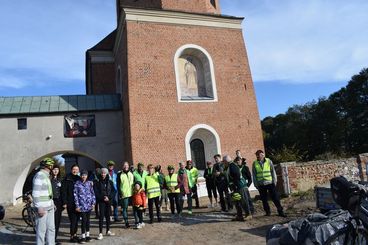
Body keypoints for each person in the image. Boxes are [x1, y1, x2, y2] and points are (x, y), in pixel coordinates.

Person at [252, 150, 286, 217]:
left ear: (263, 155)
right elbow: (254, 174)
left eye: (259, 155)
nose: (258, 157)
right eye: (257, 156)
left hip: (270, 183)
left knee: (275, 198)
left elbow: (273, 171)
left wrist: (274, 181)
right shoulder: (255, 163)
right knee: (264, 200)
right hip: (261, 184)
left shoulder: (268, 161)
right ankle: (268, 212)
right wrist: (256, 184)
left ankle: (280, 211)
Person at [32, 158, 55, 245]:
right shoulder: (39, 175)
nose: (52, 167)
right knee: (41, 231)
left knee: (51, 229)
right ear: (48, 166)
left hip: (50, 207)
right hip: (42, 209)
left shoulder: (46, 176)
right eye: (51, 165)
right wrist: (39, 207)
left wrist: (52, 203)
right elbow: (35, 193)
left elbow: (48, 192)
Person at [74, 170, 96, 243]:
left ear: (87, 176)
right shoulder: (77, 183)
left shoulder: (89, 183)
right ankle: (83, 236)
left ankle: (88, 236)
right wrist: (77, 205)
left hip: (89, 205)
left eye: (85, 175)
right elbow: (75, 195)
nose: (84, 176)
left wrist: (93, 203)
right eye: (83, 175)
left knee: (88, 221)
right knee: (83, 221)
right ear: (81, 176)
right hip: (81, 206)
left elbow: (92, 193)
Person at [94, 168, 116, 240]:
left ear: (107, 174)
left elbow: (114, 191)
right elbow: (96, 192)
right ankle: (100, 233)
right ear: (100, 174)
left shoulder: (110, 182)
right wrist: (103, 197)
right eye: (102, 173)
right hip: (101, 201)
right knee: (101, 217)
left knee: (108, 216)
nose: (103, 174)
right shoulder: (97, 182)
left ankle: (108, 230)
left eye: (104, 173)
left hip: (108, 201)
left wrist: (109, 198)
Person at [229, 156, 252, 221]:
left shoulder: (238, 167)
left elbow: (240, 176)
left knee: (244, 201)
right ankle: (239, 215)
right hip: (236, 187)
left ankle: (249, 214)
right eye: (237, 160)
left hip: (242, 186)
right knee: (237, 201)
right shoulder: (233, 167)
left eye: (239, 160)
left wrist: (247, 185)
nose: (238, 162)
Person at [62, 164, 81, 242]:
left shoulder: (79, 179)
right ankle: (72, 236)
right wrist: (65, 202)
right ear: (71, 169)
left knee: (76, 220)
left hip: (78, 203)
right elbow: (64, 192)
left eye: (76, 169)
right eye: (73, 169)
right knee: (73, 220)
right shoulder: (67, 178)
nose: (75, 170)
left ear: (78, 170)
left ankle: (75, 234)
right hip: (70, 202)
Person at [117, 161, 134, 228]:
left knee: (135, 208)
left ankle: (137, 221)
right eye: (124, 165)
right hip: (125, 194)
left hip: (132, 193)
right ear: (123, 166)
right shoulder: (119, 174)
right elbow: (118, 185)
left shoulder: (131, 173)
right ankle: (126, 222)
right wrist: (120, 193)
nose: (126, 166)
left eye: (127, 165)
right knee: (125, 208)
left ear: (128, 166)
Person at [50, 164, 63, 244]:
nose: (56, 171)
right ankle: (50, 239)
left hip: (59, 202)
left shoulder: (60, 179)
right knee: (52, 221)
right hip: (52, 201)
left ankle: (54, 238)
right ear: (52, 170)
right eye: (54, 169)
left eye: (57, 169)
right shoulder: (49, 179)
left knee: (57, 221)